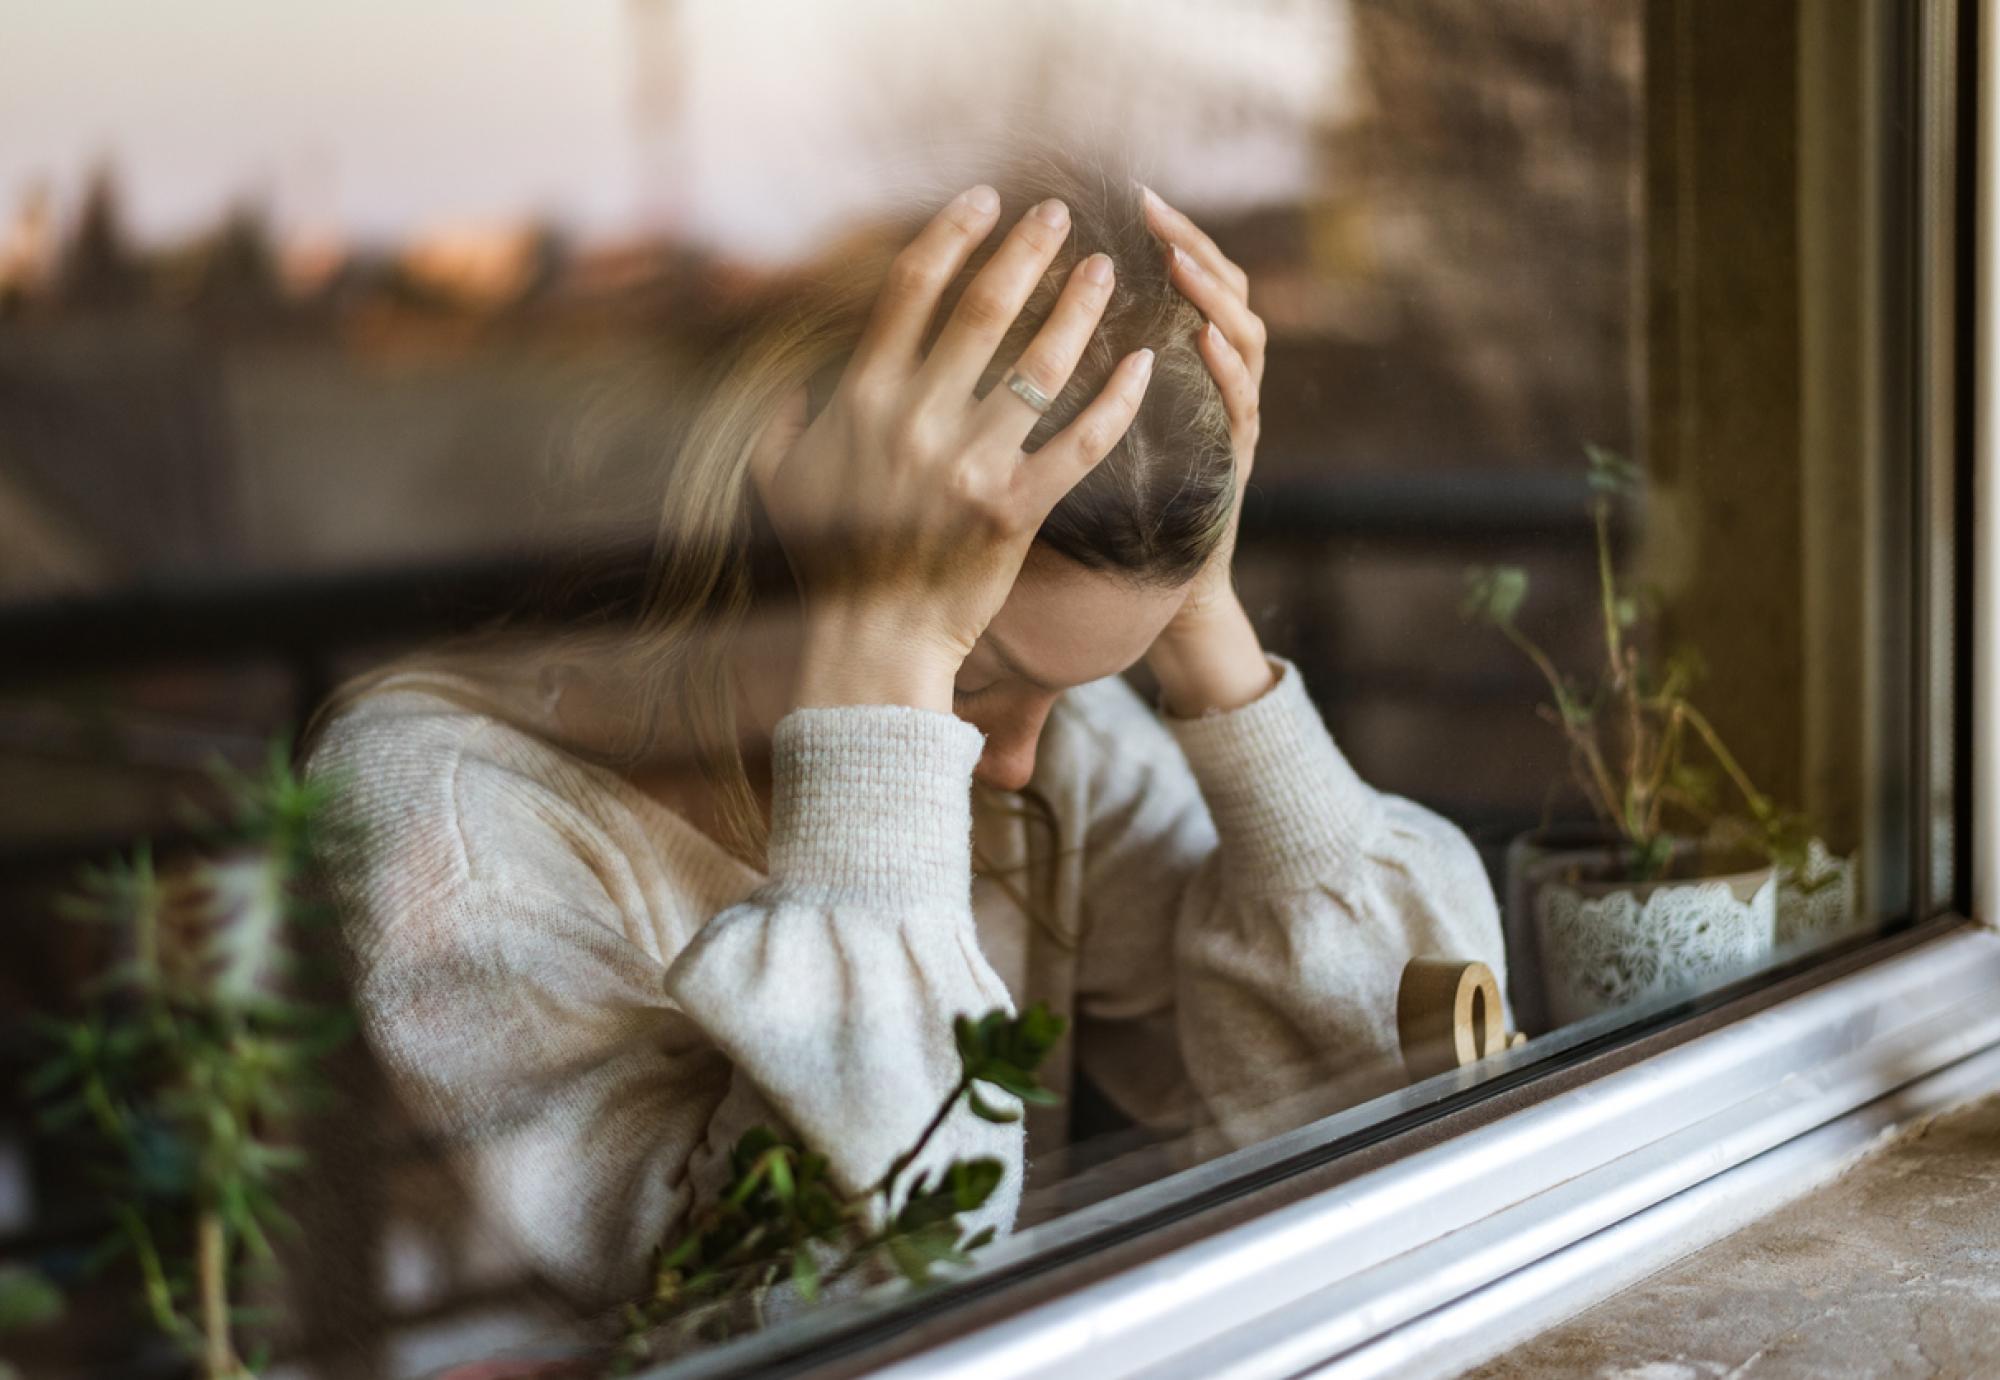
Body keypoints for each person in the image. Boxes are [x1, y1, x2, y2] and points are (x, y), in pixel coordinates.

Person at [307, 153, 1506, 1304]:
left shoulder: (1056, 745)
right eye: (973, 669)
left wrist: (1202, 617)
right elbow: (798, 1304)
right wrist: (880, 666)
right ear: (789, 502)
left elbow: (1385, 1088)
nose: (1024, 758)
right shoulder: (448, 807)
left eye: (1081, 680)